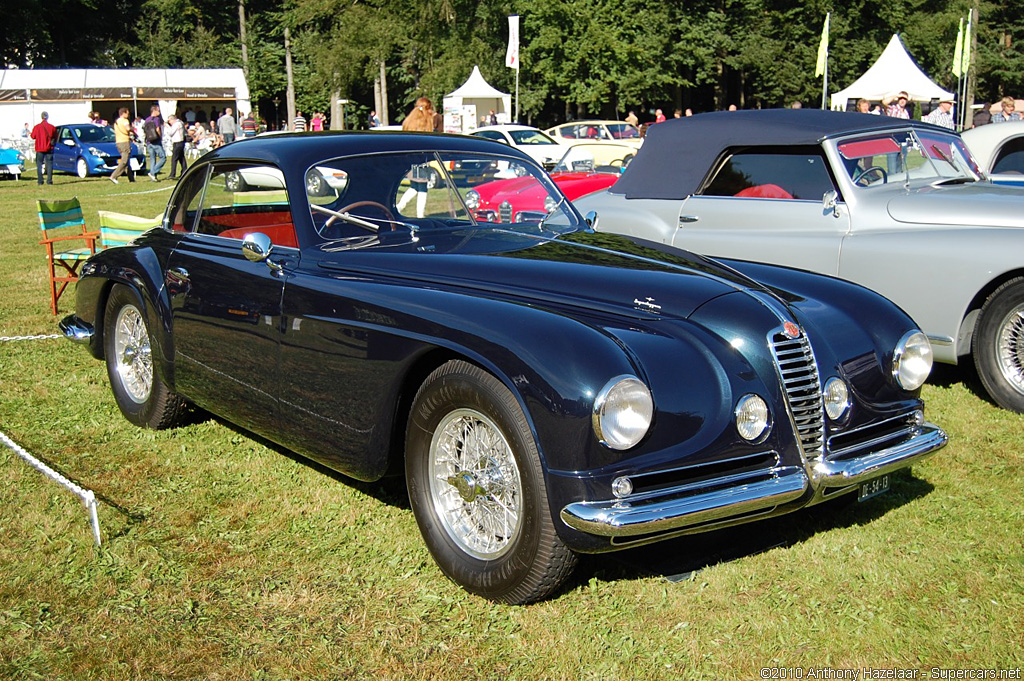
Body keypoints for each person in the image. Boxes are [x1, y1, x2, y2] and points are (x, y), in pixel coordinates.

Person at [396, 97, 435, 218]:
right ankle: (420, 215)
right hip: (422, 159)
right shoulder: (425, 121)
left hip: (411, 159)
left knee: (414, 186)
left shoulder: (409, 120)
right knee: (423, 188)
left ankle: (400, 206)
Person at [110, 107, 136, 184]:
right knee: (124, 161)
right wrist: (133, 129)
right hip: (124, 141)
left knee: (127, 162)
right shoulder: (125, 121)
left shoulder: (116, 121)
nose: (128, 115)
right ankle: (114, 176)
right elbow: (128, 128)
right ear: (123, 113)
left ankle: (131, 179)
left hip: (118, 142)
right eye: (127, 113)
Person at [30, 111, 57, 185]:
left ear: (41, 117)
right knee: (49, 164)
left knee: (39, 164)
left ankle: (40, 181)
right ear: (47, 117)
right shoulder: (52, 127)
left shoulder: (37, 127)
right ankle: (49, 181)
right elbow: (55, 136)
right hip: (49, 148)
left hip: (39, 148)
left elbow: (32, 136)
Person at [143, 106, 165, 180]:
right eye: (158, 111)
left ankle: (153, 177)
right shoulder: (157, 119)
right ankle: (153, 172)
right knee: (163, 157)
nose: (159, 112)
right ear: (154, 111)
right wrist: (160, 136)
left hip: (149, 141)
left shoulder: (147, 119)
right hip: (156, 141)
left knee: (152, 159)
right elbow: (157, 129)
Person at [165, 114, 186, 179]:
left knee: (174, 159)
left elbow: (171, 133)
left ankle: (172, 174)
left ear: (172, 119)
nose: (169, 122)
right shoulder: (181, 123)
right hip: (181, 142)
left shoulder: (176, 124)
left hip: (177, 142)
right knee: (181, 158)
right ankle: (184, 171)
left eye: (169, 120)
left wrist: (167, 126)